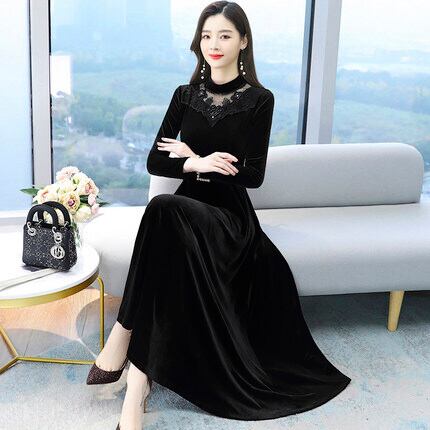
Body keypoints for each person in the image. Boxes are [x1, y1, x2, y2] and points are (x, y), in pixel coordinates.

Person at [86, 2, 351, 429]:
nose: (214, 43)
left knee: (161, 209)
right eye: (207, 35)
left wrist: (198, 159)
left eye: (225, 35)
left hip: (229, 218)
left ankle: (123, 337)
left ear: (243, 41)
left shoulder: (259, 100)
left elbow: (253, 175)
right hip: (184, 210)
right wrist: (196, 163)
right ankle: (136, 386)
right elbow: (155, 160)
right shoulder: (185, 95)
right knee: (165, 218)